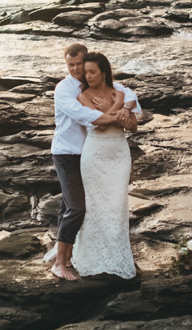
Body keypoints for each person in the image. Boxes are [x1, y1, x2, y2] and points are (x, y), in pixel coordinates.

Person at [50, 43, 140, 281]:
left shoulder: (112, 87)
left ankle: (77, 254)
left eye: (81, 65)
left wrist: (122, 103)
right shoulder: (66, 89)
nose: (78, 70)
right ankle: (60, 262)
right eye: (72, 65)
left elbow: (132, 98)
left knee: (83, 205)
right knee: (77, 207)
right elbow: (88, 117)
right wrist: (118, 110)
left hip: (100, 153)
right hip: (68, 152)